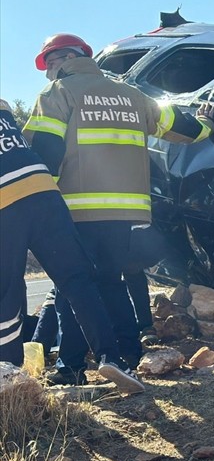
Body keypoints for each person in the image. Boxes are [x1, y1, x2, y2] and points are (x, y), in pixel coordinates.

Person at [23, 33, 214, 385]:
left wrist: (37, 205)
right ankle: (128, 353)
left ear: (62, 59)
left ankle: (71, 368)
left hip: (75, 209)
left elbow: (45, 154)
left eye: (49, 64)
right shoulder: (132, 96)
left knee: (72, 285)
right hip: (127, 212)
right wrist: (206, 122)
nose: (48, 73)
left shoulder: (58, 94)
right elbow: (184, 128)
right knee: (111, 280)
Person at [0, 98, 143, 392]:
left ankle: (10, 375)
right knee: (78, 280)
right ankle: (112, 358)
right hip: (43, 190)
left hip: (4, 200)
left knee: (7, 289)